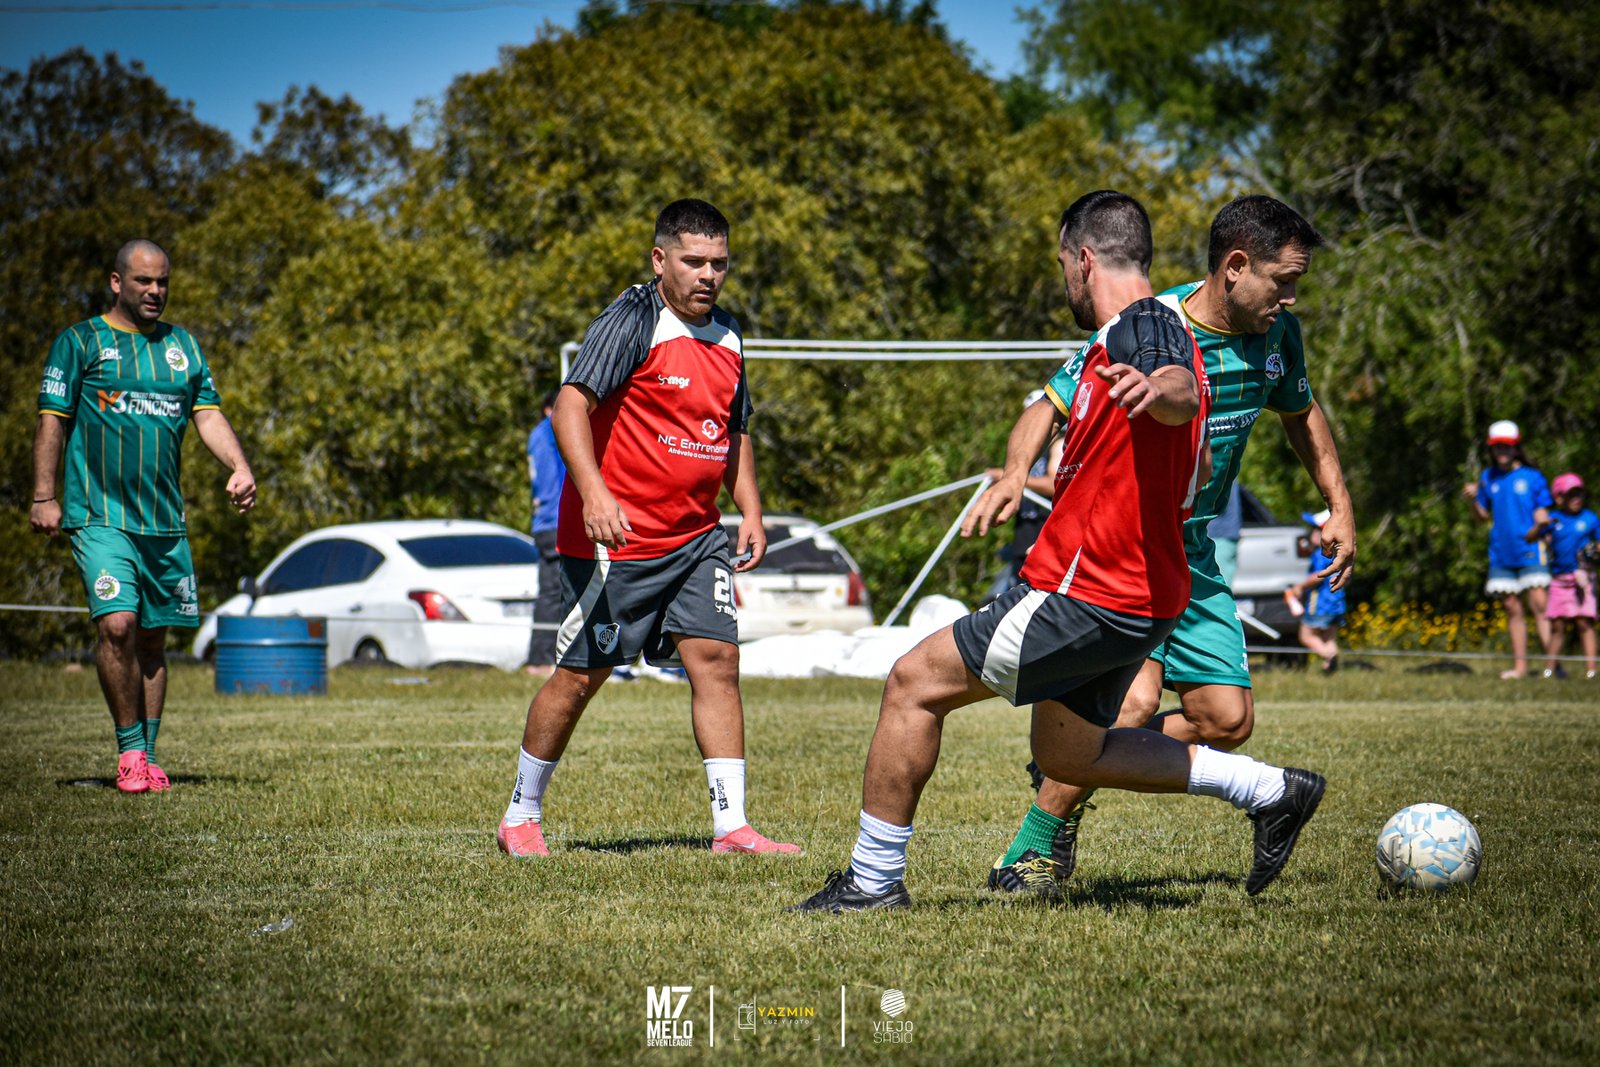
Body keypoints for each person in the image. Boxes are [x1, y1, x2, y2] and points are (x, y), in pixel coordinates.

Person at [791, 191, 1326, 912]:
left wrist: (1160, 391)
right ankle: (1269, 789)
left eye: (1063, 266)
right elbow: (1125, 425)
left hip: (1085, 590)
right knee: (1071, 754)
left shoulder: (1146, 324)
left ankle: (872, 881)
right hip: (1140, 598)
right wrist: (1021, 472)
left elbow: (1174, 384)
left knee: (913, 684)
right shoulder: (1134, 333)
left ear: (1083, 260)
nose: (1065, 280)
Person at [986, 195, 1355, 897]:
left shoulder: (1279, 335)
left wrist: (1340, 505)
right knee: (1129, 705)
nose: (1290, 297)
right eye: (1282, 281)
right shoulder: (1153, 325)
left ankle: (1080, 755)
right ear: (1235, 266)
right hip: (1128, 550)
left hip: (1195, 554)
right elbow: (1046, 405)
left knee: (1227, 719)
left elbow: (1301, 411)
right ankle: (1035, 847)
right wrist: (1012, 472)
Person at [495, 199, 799, 858]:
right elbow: (569, 407)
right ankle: (520, 814)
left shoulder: (730, 334)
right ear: (660, 259)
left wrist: (749, 509)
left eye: (719, 263)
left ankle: (732, 827)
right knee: (583, 674)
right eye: (694, 261)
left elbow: (734, 432)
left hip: (696, 538)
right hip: (619, 541)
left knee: (717, 660)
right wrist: (595, 494)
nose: (708, 275)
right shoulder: (633, 318)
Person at [29, 239, 256, 793]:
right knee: (118, 624)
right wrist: (43, 495)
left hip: (163, 521)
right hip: (99, 514)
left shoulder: (182, 347)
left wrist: (239, 465)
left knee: (153, 640)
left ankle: (149, 757)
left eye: (162, 282)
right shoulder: (80, 342)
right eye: (143, 281)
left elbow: (207, 414)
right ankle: (129, 752)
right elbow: (53, 419)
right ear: (117, 282)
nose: (155, 291)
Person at [1463, 420, 1551, 679]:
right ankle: (1520, 667)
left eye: (1507, 446)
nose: (1502, 451)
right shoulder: (1488, 477)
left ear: (1516, 448)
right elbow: (1482, 517)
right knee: (1512, 608)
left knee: (1540, 605)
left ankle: (1552, 665)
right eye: (1497, 446)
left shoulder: (1532, 477)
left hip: (1531, 549)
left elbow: (1543, 514)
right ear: (1491, 449)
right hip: (1501, 551)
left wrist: (1540, 526)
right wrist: (1472, 501)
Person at [982, 388, 1064, 600]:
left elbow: (1054, 484)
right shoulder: (1026, 453)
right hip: (1023, 531)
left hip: (1044, 529)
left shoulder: (1058, 447)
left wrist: (1012, 478)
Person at [525, 388, 565, 677]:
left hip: (548, 521)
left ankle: (544, 658)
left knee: (553, 592)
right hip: (555, 521)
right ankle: (540, 660)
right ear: (549, 410)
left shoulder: (538, 434)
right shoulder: (549, 431)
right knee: (554, 593)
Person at [1541, 473, 1597, 679]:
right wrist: (1540, 525)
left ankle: (1592, 670)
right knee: (1557, 625)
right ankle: (1549, 670)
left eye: (1579, 494)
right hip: (1559, 579)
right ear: (1559, 498)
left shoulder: (1590, 518)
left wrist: (1594, 551)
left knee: (1584, 623)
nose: (1576, 499)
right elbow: (1531, 537)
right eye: (1571, 495)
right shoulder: (1553, 519)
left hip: (1583, 579)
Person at [1284, 509, 1345, 673]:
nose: (1313, 533)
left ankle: (1329, 657)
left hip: (1320, 602)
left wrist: (1300, 587)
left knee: (1306, 636)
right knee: (1328, 637)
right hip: (1337, 602)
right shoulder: (1338, 552)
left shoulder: (1321, 553)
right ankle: (1329, 670)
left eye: (1317, 530)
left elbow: (1319, 575)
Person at [1209, 482, 1244, 588]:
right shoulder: (1230, 476)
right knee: (1221, 586)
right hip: (1225, 537)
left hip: (1220, 536)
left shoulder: (1219, 475)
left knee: (1219, 588)